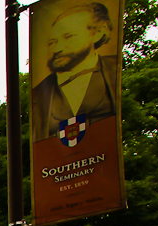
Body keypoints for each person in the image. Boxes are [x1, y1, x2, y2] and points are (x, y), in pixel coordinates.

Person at [31, 3, 119, 142]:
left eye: (69, 36)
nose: (57, 48)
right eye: (53, 42)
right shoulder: (38, 95)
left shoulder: (116, 69)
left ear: (97, 33)